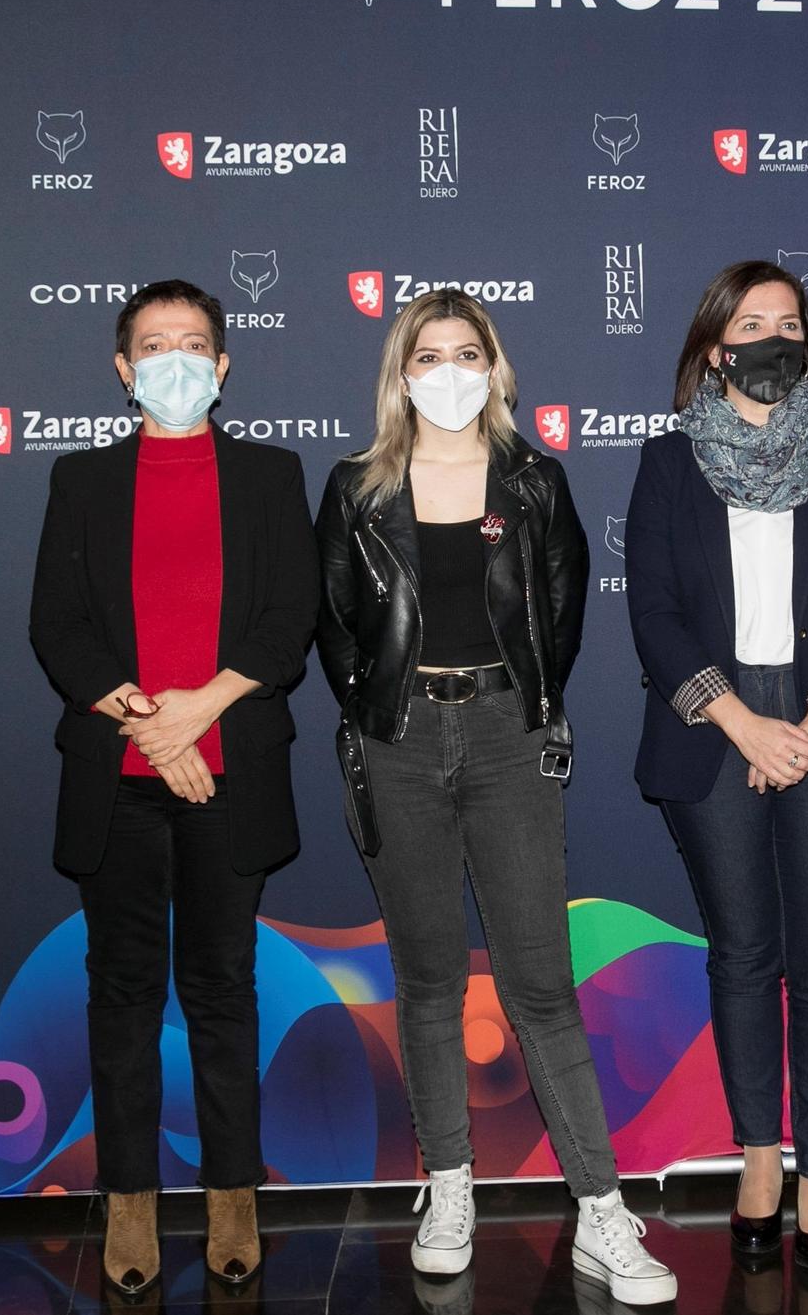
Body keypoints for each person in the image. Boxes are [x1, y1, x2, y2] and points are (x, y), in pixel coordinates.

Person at [315, 289, 677, 1305]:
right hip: (395, 740)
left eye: (464, 352)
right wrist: (388, 713)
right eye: (425, 353)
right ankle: (449, 1187)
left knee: (539, 984)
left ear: (495, 367)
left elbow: (557, 618)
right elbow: (336, 626)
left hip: (508, 737)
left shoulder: (534, 482)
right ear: (400, 372)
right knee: (426, 979)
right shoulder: (354, 486)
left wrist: (505, 708)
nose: (446, 369)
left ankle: (602, 1214)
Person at [28, 279, 319, 1293]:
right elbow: (57, 628)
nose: (176, 360)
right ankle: (130, 1205)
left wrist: (200, 708)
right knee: (120, 995)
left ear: (225, 363)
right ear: (123, 368)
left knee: (221, 991)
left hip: (229, 777)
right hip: (117, 779)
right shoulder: (80, 479)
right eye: (154, 344)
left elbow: (290, 620)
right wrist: (154, 726)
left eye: (194, 343)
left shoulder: (272, 475)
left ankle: (233, 1200)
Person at [625, 260, 808, 1269]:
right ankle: (757, 1157)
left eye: (789, 322)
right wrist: (742, 723)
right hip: (715, 727)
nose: (772, 338)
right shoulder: (666, 463)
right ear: (713, 346)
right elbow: (650, 611)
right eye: (751, 323)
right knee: (743, 956)